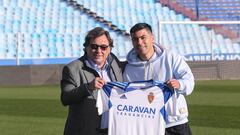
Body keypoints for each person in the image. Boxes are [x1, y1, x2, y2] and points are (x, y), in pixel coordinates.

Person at [123, 23, 195, 135]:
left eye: (143, 38)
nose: (139, 42)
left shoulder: (171, 58)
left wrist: (179, 84)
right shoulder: (129, 68)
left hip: (175, 123)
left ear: (152, 38)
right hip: (148, 125)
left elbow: (189, 80)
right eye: (135, 39)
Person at [60, 27, 125, 135]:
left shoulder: (115, 64)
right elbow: (65, 98)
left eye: (103, 47)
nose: (99, 51)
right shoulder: (72, 68)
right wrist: (88, 87)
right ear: (86, 47)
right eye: (94, 46)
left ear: (110, 49)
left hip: (112, 130)